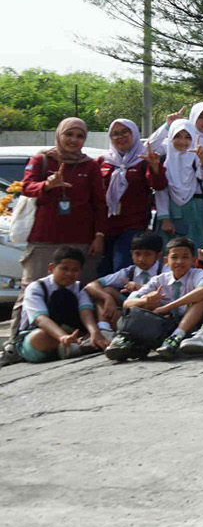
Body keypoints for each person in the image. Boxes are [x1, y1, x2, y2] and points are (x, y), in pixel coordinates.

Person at [17, 117, 105, 283]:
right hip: (44, 238)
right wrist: (46, 185)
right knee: (32, 291)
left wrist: (99, 236)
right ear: (58, 135)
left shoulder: (90, 166)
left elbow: (99, 204)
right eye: (69, 134)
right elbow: (26, 187)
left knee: (80, 292)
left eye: (80, 136)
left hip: (80, 240)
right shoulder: (42, 160)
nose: (74, 140)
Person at [110, 236, 203, 360]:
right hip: (161, 325)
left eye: (185, 257)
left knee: (201, 297)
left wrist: (167, 307)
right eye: (174, 257)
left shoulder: (196, 274)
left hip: (188, 324)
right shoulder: (159, 280)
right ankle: (127, 340)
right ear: (166, 261)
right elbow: (127, 303)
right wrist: (145, 301)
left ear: (193, 260)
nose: (179, 261)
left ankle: (175, 338)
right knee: (145, 301)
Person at [12, 247, 108, 363]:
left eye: (75, 270)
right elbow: (41, 319)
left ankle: (75, 346)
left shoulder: (79, 287)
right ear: (51, 268)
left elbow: (85, 312)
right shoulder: (36, 287)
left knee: (99, 327)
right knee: (40, 337)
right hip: (40, 335)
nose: (69, 274)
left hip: (71, 334)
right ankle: (78, 346)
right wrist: (62, 336)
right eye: (64, 269)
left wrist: (94, 332)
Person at [97, 119, 165, 276]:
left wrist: (155, 167)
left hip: (132, 228)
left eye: (124, 132)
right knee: (102, 273)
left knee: (122, 273)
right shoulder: (103, 161)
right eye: (115, 134)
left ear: (134, 134)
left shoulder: (143, 161)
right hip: (104, 228)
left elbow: (159, 185)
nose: (120, 137)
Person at [156, 120, 203, 248]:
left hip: (194, 210)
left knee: (195, 249)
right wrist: (165, 218)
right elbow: (161, 190)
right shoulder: (165, 160)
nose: (183, 141)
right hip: (171, 211)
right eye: (177, 136)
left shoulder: (196, 156)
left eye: (187, 137)